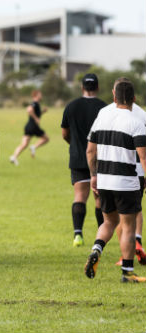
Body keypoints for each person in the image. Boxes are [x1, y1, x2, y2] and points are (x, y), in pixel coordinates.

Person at [84, 81, 146, 283]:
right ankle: (127, 273)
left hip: (104, 179)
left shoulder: (102, 119)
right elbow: (143, 157)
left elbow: (90, 151)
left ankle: (96, 249)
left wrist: (94, 176)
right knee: (128, 226)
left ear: (113, 96)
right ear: (134, 99)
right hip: (126, 181)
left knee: (109, 221)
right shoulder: (135, 121)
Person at [101, 77, 146, 265]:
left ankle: (125, 255)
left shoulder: (105, 113)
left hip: (112, 172)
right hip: (139, 171)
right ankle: (137, 242)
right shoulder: (142, 114)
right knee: (135, 209)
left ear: (114, 94)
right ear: (134, 97)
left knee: (121, 216)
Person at [61, 73, 107, 247]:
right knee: (99, 198)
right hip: (100, 159)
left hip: (78, 157)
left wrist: (74, 145)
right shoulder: (104, 108)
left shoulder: (71, 106)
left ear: (82, 88)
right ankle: (101, 233)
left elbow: (65, 133)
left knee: (79, 195)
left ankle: (77, 234)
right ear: (97, 87)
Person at [10, 90, 49, 165]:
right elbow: (29, 109)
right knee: (46, 138)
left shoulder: (36, 104)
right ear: (36, 95)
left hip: (29, 126)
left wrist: (42, 112)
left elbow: (35, 113)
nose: (41, 96)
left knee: (24, 144)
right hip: (33, 126)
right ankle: (34, 147)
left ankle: (14, 157)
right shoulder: (35, 103)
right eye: (40, 94)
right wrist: (36, 119)